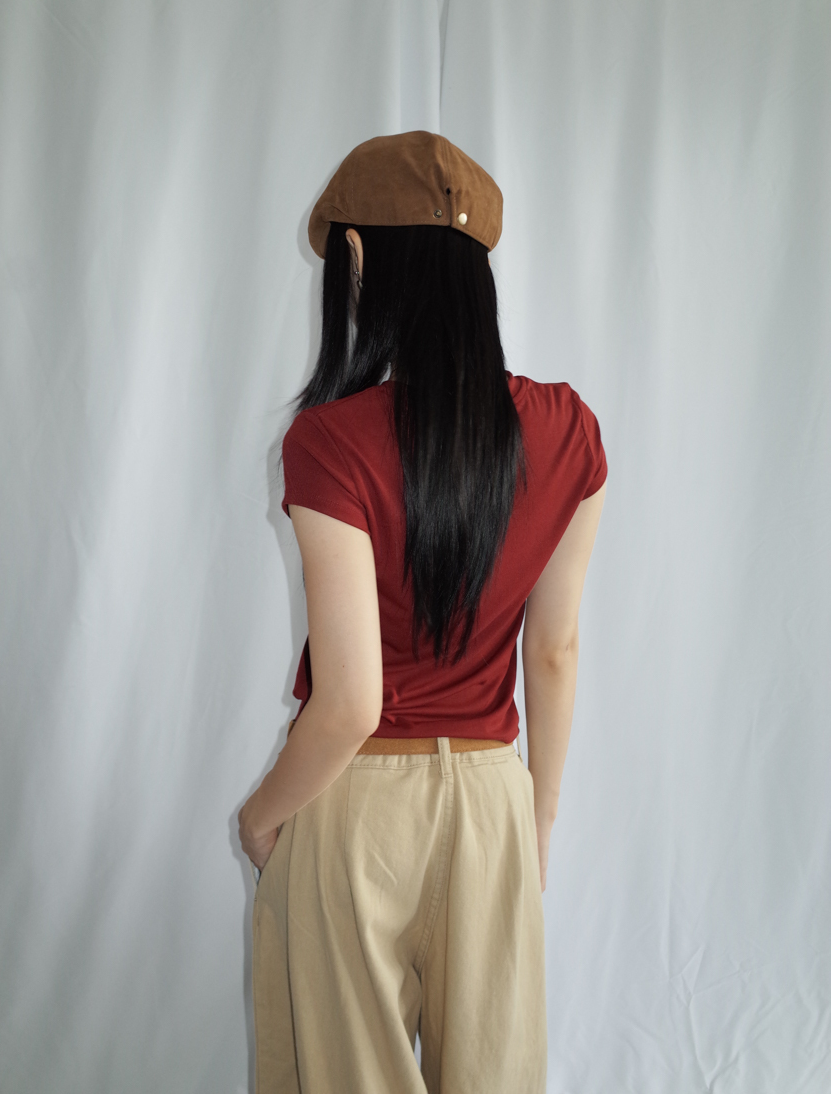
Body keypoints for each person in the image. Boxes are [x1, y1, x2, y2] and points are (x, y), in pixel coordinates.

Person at [237, 130, 607, 1094]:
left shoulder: (330, 442)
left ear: (357, 255)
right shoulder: (569, 430)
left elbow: (351, 701)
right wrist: (536, 818)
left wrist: (260, 817)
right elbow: (555, 649)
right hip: (491, 803)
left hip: (354, 809)